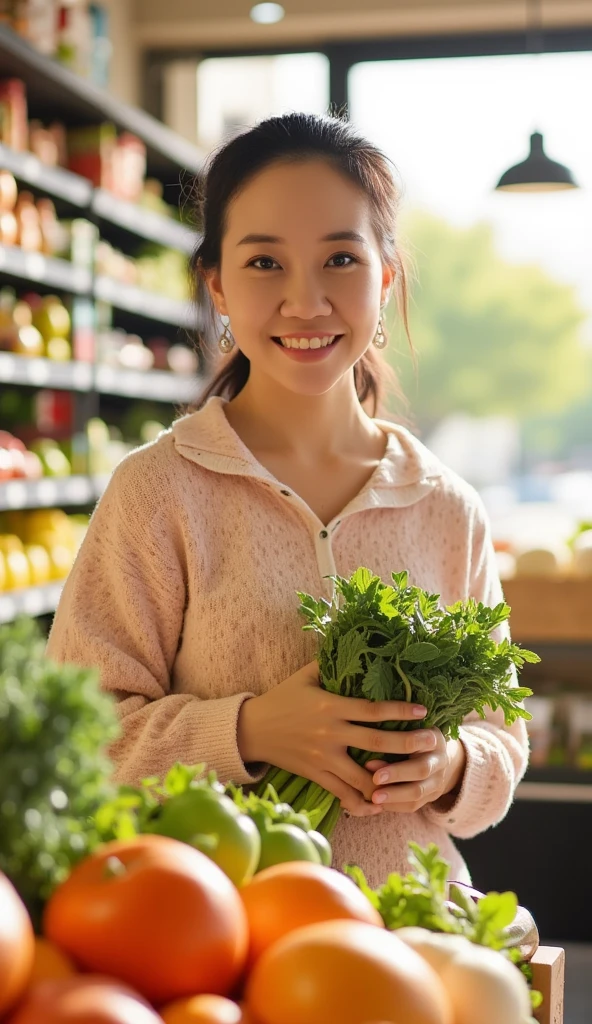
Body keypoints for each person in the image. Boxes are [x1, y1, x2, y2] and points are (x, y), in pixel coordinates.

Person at [46, 112, 528, 887]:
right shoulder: (157, 491)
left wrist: (450, 765)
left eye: (340, 257)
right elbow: (81, 740)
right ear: (218, 285)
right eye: (265, 263)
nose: (306, 303)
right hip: (215, 944)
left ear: (387, 276)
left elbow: (501, 739)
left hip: (417, 930)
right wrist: (246, 729)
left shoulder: (448, 507)